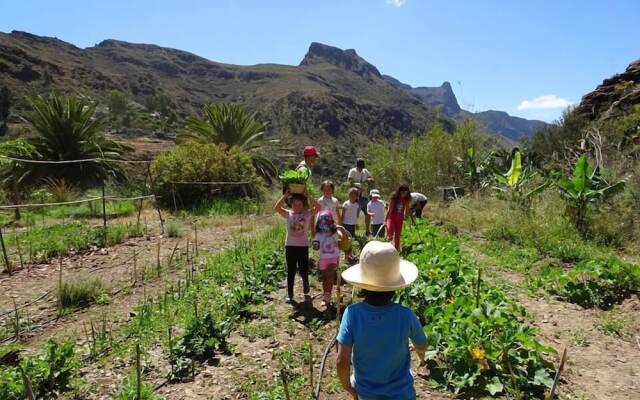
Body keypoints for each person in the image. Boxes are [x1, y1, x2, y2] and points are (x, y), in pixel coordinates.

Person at [337, 241, 427, 399]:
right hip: (403, 394)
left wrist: (348, 387)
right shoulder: (406, 315)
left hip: (367, 394)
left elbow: (342, 361)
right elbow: (422, 345)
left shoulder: (352, 314)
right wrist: (420, 354)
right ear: (395, 286)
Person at [274, 190, 319, 303]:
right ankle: (290, 293)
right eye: (294, 204)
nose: (297, 207)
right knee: (291, 271)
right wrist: (285, 196)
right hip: (290, 246)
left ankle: (305, 281)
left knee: (303, 269)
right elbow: (277, 208)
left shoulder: (307, 214)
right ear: (291, 204)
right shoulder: (288, 214)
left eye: (299, 204)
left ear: (303, 205)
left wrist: (308, 195)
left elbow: (318, 207)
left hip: (303, 247)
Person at [312, 210, 350, 308]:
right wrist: (315, 245)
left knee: (328, 277)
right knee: (325, 278)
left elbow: (344, 240)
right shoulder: (319, 234)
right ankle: (327, 293)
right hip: (323, 259)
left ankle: (327, 298)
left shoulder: (335, 232)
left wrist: (342, 229)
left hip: (333, 258)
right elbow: (316, 246)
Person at [347, 158, 374, 235]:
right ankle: (353, 232)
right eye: (359, 167)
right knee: (355, 214)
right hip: (355, 196)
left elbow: (371, 178)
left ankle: (367, 231)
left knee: (367, 213)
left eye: (362, 167)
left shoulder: (365, 171)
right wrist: (358, 186)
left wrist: (368, 180)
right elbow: (350, 181)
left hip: (364, 196)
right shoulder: (352, 171)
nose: (361, 168)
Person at [385, 184, 412, 251]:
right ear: (399, 191)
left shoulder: (407, 199)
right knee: (390, 232)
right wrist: (385, 220)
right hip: (392, 217)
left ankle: (397, 250)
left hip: (400, 218)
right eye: (402, 192)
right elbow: (390, 209)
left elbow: (407, 209)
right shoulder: (394, 197)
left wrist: (408, 218)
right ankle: (387, 249)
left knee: (397, 235)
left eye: (406, 193)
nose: (404, 194)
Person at [341, 188, 360, 263]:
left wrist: (356, 223)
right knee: (346, 240)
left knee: (351, 239)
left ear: (357, 196)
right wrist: (341, 224)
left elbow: (355, 215)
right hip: (346, 224)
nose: (352, 196)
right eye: (351, 194)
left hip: (352, 225)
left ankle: (350, 255)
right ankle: (346, 257)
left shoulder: (356, 205)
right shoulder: (346, 204)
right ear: (348, 195)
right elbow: (343, 214)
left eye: (354, 195)